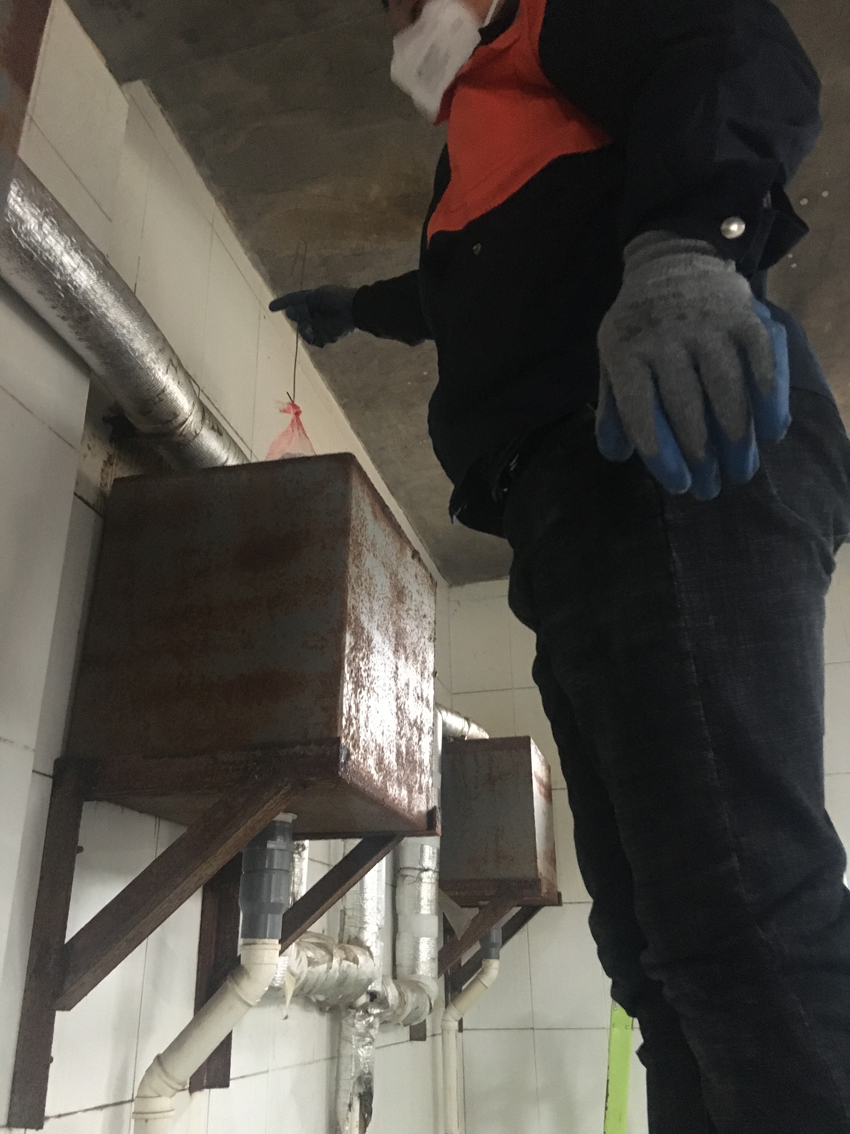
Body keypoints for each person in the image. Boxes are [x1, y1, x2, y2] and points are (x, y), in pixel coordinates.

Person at [270, 1, 850, 1129]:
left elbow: (734, 47)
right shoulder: (481, 141)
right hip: (570, 507)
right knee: (654, 954)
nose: (402, 18)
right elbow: (486, 281)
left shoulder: (548, 22)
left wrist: (689, 246)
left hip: (659, 452)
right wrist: (360, 309)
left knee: (739, 922)